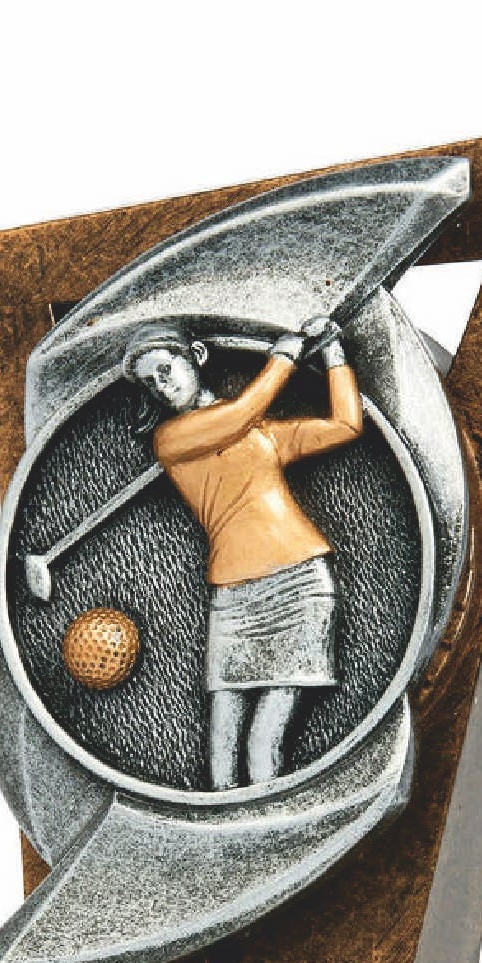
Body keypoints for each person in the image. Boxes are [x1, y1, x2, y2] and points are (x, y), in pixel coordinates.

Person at [131, 312, 363, 788]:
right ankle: (226, 831)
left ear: (197, 356)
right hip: (234, 602)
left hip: (300, 587)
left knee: (264, 743)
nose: (161, 387)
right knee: (221, 750)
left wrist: (335, 353)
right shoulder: (171, 440)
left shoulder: (260, 435)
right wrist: (283, 357)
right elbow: (239, 414)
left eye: (165, 370)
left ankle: (273, 828)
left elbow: (345, 425)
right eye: (150, 383)